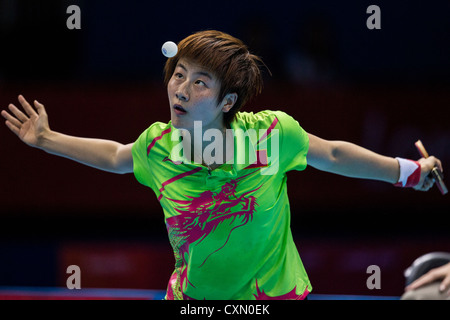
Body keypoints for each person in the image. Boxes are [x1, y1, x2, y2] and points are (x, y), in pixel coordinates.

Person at [1, 30, 443, 300]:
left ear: (227, 101)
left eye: (199, 82)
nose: (181, 88)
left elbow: (332, 153)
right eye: (179, 74)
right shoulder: (157, 146)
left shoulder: (271, 135)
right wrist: (46, 139)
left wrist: (407, 171)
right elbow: (116, 156)